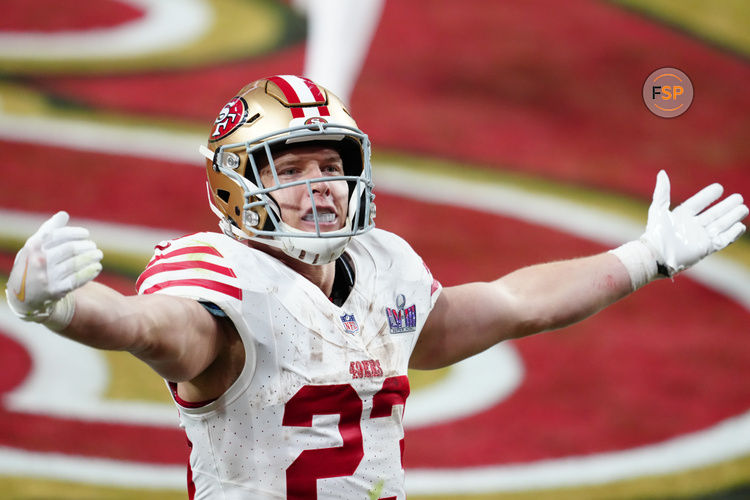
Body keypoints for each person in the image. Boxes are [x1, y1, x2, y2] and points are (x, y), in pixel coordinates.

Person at [5, 75, 748, 500]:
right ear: (233, 189)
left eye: (329, 166)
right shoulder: (223, 284)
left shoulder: (382, 267)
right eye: (289, 173)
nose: (318, 188)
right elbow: (147, 327)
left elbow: (513, 303)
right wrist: (63, 307)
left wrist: (645, 256)